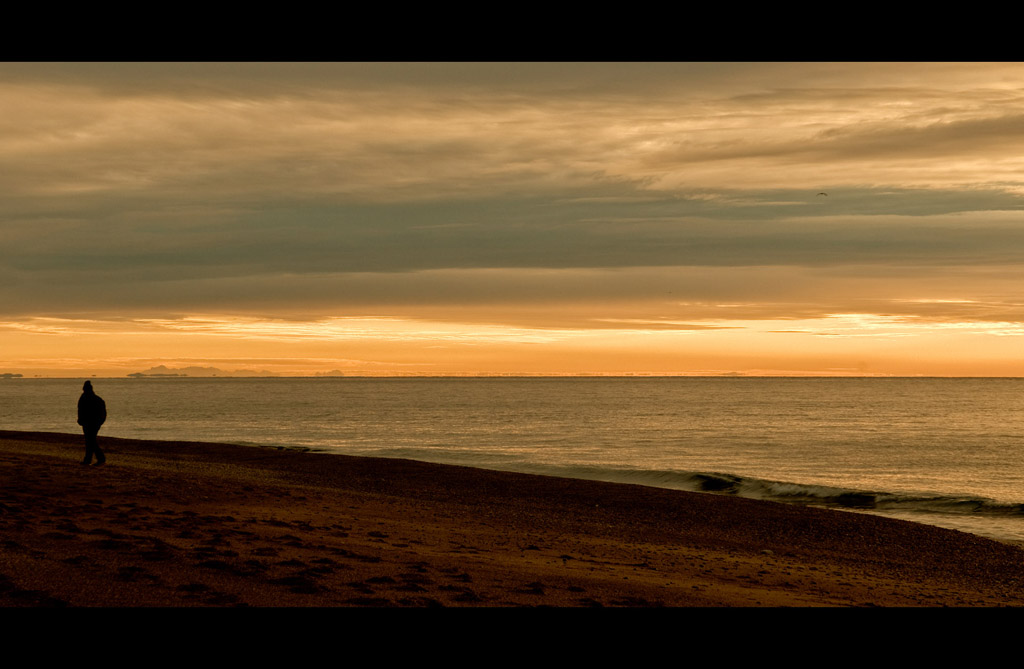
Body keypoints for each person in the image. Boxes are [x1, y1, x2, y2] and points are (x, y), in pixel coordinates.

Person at [77, 380, 107, 466]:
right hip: (92, 422)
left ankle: (98, 458)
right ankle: (89, 459)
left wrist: (80, 419)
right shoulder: (97, 399)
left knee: (90, 440)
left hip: (90, 422)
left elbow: (81, 410)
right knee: (90, 440)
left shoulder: (85, 398)